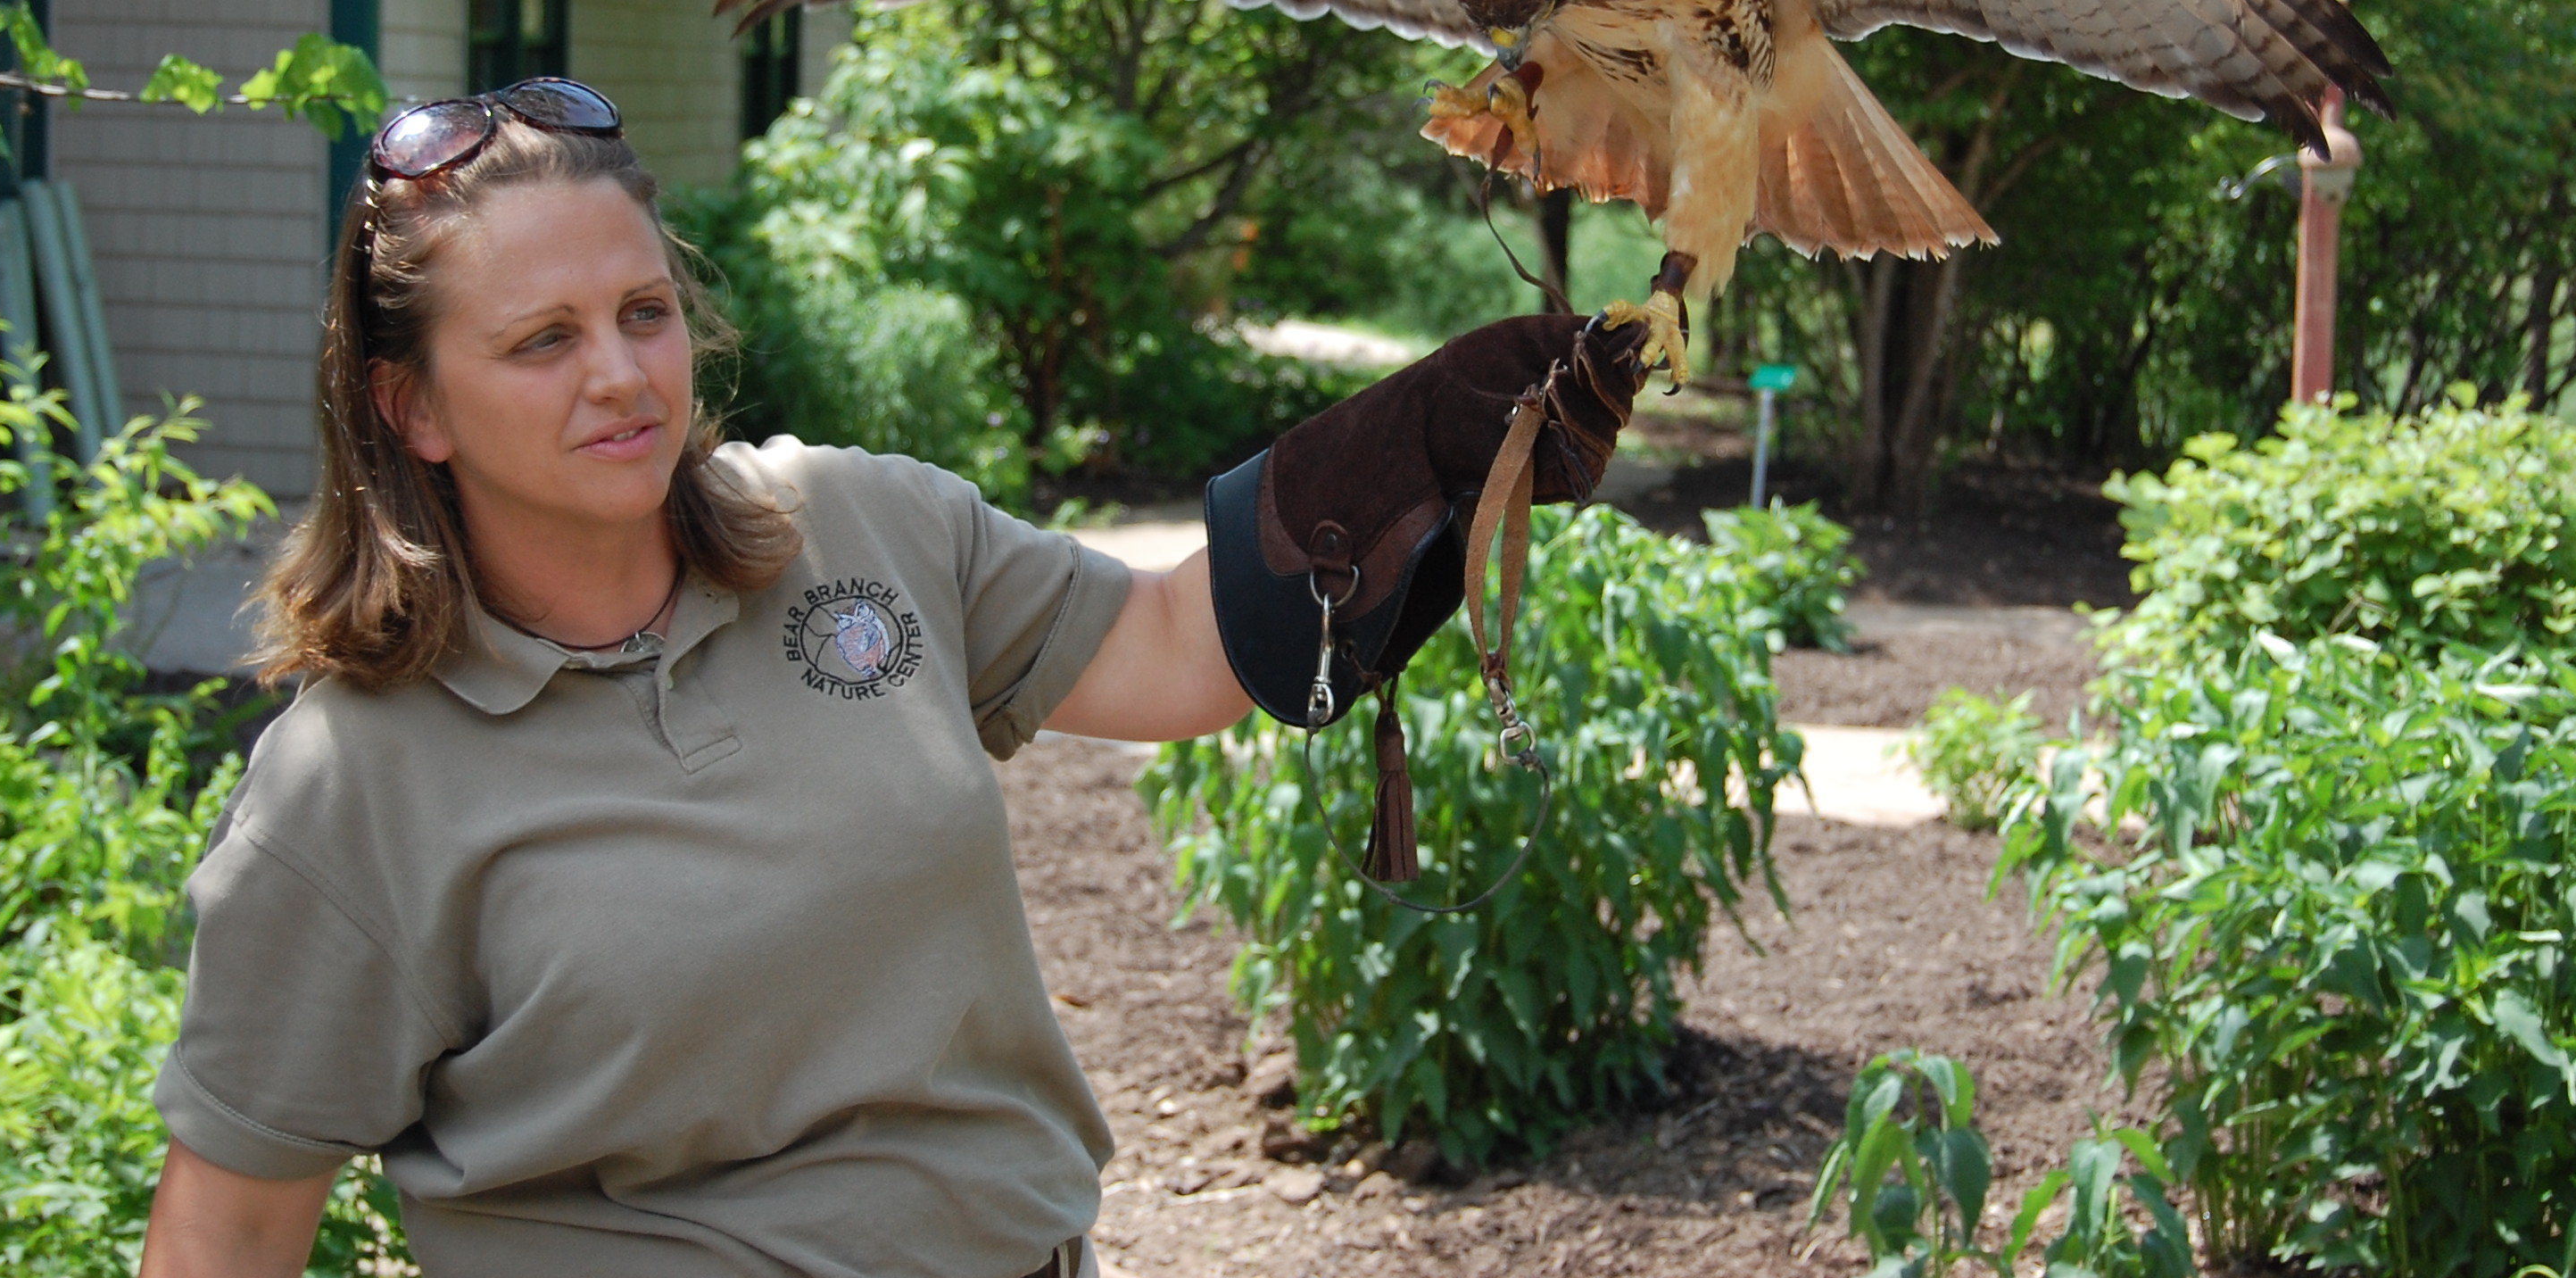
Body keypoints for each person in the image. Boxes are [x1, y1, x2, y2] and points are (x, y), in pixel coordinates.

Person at [137, 79, 1644, 1278]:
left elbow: (1177, 650)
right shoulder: (356, 785)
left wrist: (1436, 450)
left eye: (644, 313)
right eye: (542, 341)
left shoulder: (853, 527)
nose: (620, 375)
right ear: (414, 408)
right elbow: (226, 1235)